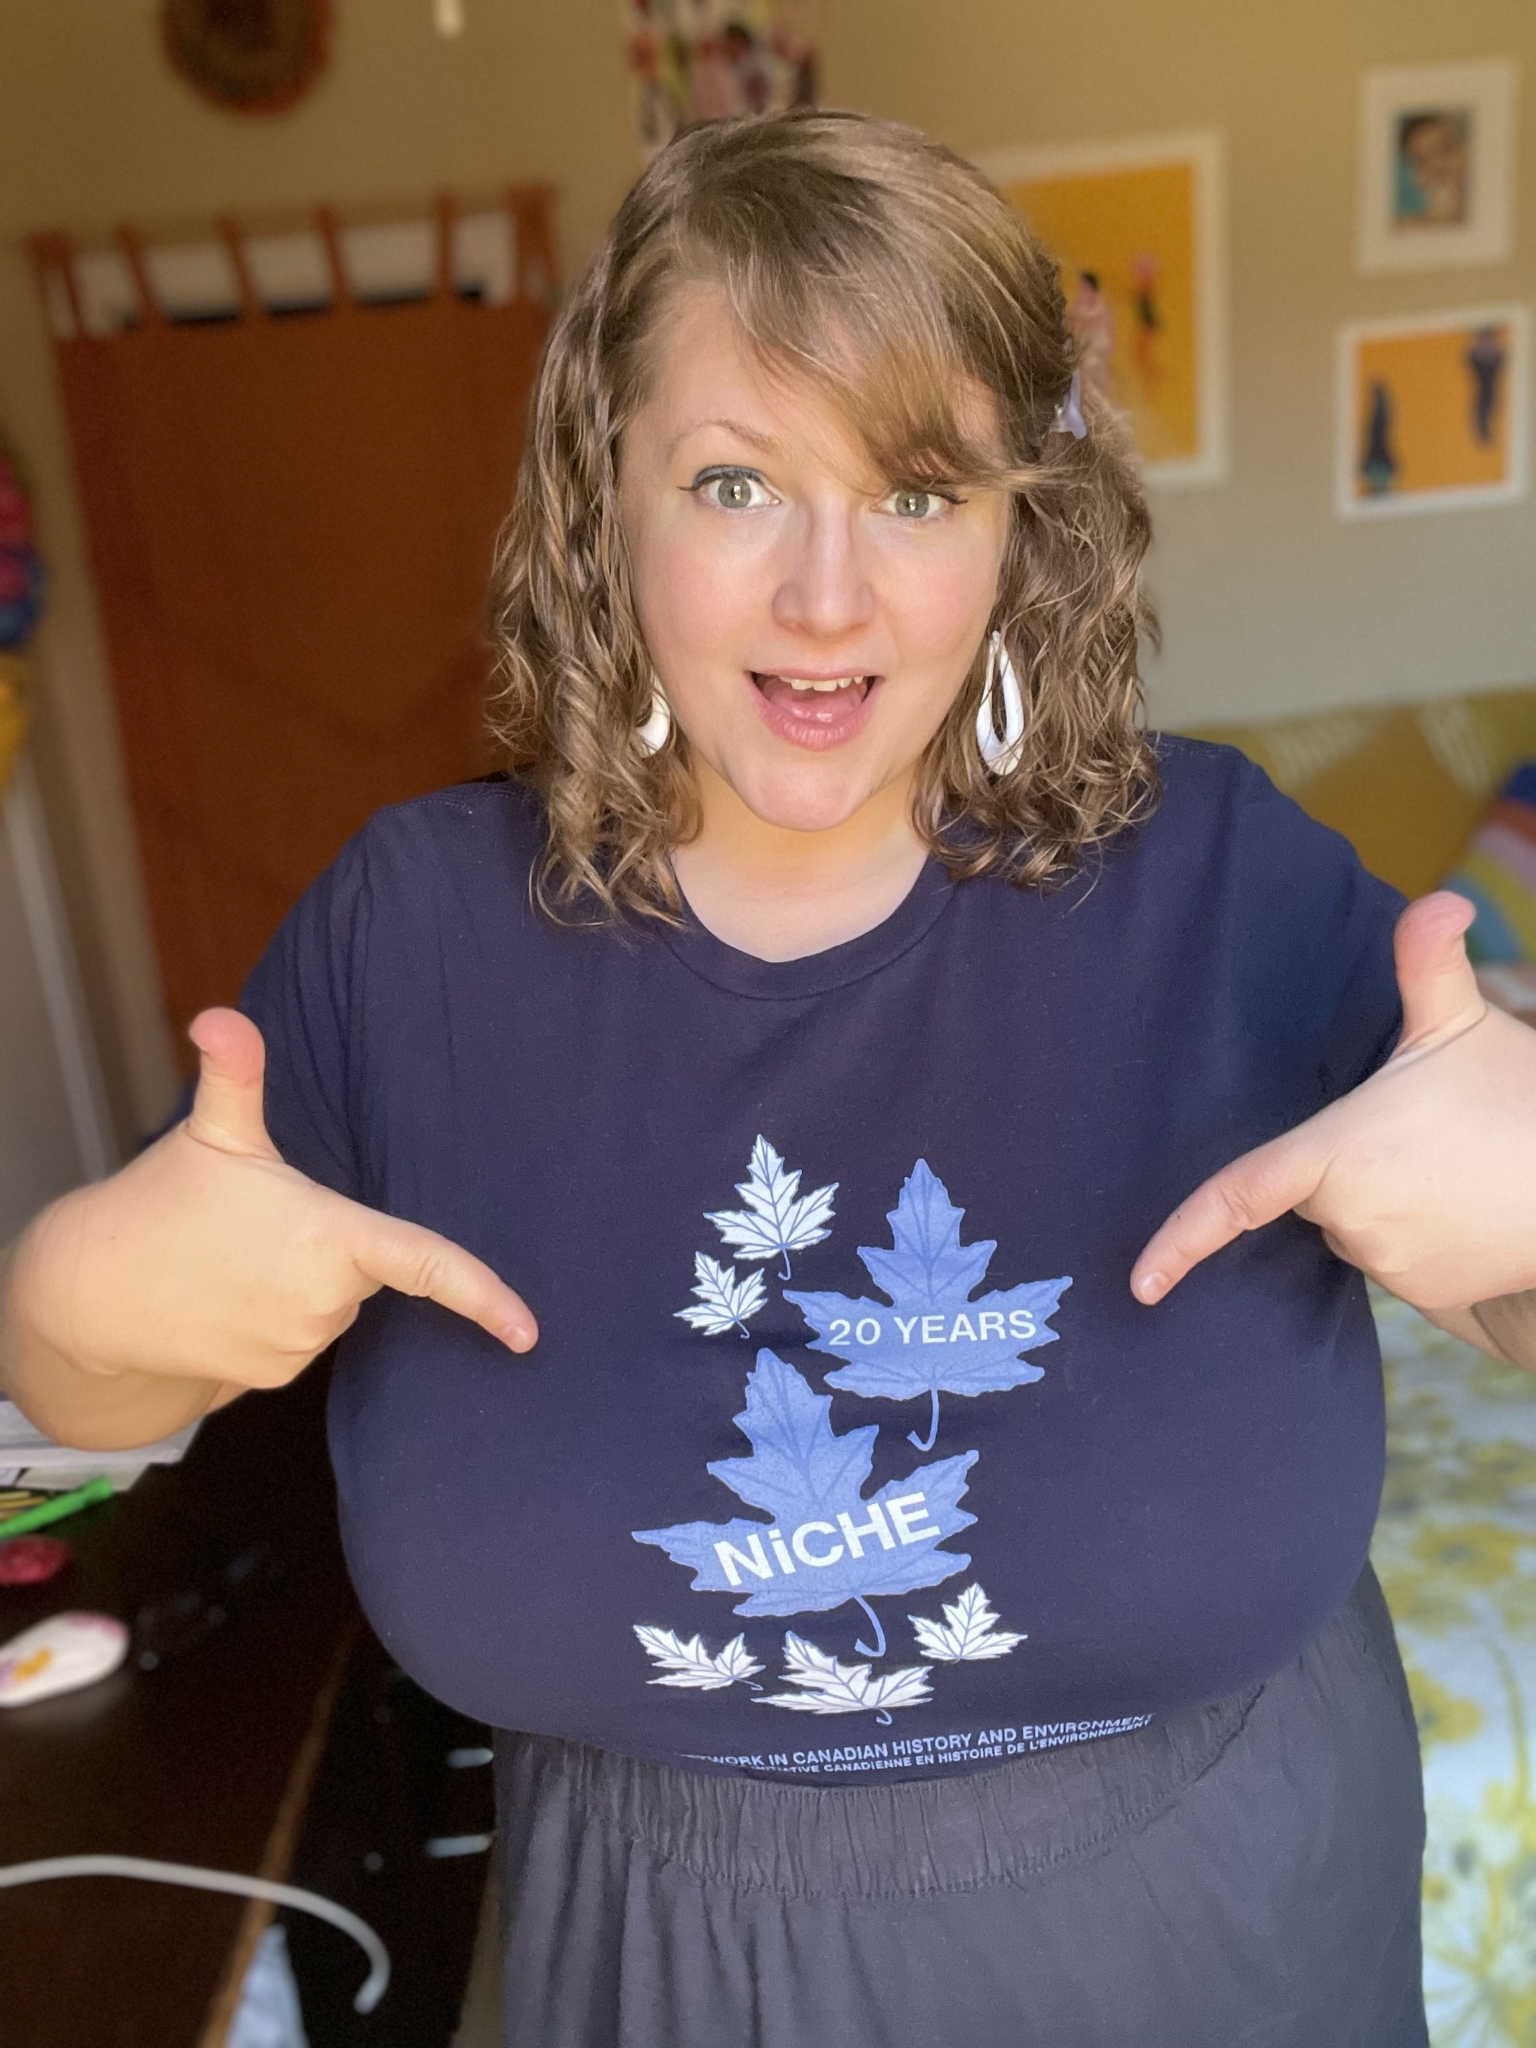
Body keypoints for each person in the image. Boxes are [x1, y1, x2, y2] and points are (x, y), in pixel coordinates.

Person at [5, 110, 1536, 2048]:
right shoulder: (411, 930)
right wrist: (73, 1308)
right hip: (652, 1969)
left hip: (1225, 1932)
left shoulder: (1230, 881)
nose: (828, 598)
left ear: (1020, 525)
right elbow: (87, 1395)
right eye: (735, 483)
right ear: (605, 499)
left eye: (918, 492)